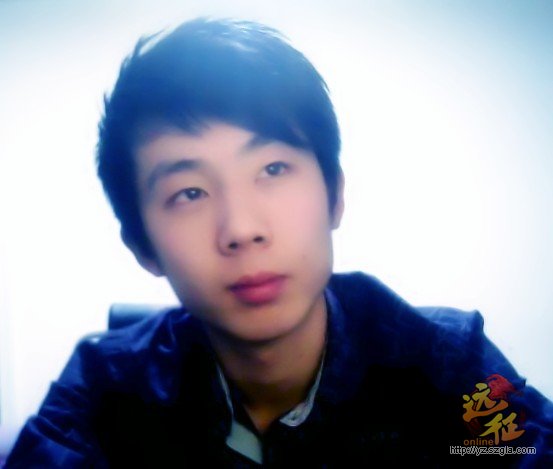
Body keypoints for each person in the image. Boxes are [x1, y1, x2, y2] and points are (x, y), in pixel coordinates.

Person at [5, 17, 553, 468]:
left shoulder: (446, 362)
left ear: (334, 195)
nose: (242, 229)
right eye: (190, 192)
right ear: (142, 247)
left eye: (272, 168)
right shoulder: (105, 387)